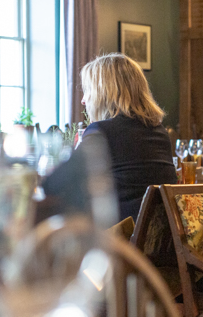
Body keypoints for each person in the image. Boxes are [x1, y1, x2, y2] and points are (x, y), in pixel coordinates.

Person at [45, 53, 176, 222]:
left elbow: (53, 185)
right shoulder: (159, 133)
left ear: (104, 93)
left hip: (115, 242)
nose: (83, 100)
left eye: (87, 91)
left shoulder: (102, 131)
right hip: (156, 244)